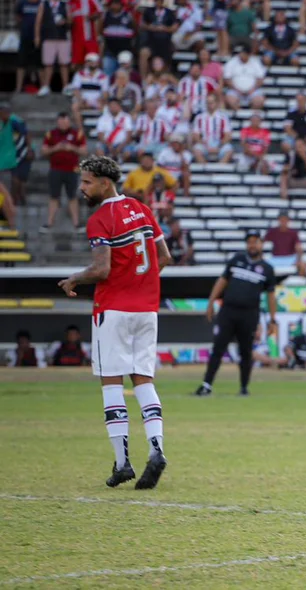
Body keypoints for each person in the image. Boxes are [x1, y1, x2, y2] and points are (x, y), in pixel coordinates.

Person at [57, 155, 174, 490]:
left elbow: (102, 269)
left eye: (86, 182)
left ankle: (122, 462)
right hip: (147, 309)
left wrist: (74, 280)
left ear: (104, 182)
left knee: (111, 383)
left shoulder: (100, 219)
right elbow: (163, 257)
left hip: (114, 310)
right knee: (144, 381)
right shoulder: (143, 209)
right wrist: (141, 285)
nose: (82, 188)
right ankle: (157, 450)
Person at [195, 231, 277, 397]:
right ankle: (206, 384)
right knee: (218, 347)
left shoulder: (267, 269)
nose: (252, 245)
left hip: (249, 314)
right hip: (228, 311)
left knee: (246, 352)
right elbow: (222, 281)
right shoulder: (237, 260)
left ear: (261, 244)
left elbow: (270, 296)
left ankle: (244, 387)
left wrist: (272, 319)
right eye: (249, 242)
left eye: (255, 242)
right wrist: (211, 302)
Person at [43, 112, 87, 233]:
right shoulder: (51, 134)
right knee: (53, 196)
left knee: (72, 196)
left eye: (65, 121)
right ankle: (49, 222)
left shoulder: (77, 134)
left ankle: (76, 223)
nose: (63, 124)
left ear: (69, 122)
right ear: (57, 122)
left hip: (72, 170)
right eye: (60, 121)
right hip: (55, 169)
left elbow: (84, 151)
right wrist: (55, 148)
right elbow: (44, 151)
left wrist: (71, 148)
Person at [35, 0, 74, 97]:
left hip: (62, 38)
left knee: (64, 64)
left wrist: (65, 21)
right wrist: (37, 36)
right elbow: (38, 21)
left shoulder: (65, 5)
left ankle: (65, 87)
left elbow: (71, 20)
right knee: (48, 64)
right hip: (48, 37)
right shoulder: (44, 4)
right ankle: (46, 86)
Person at [191, 94, 235, 164]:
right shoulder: (199, 117)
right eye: (208, 102)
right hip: (204, 144)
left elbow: (228, 135)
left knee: (229, 150)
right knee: (196, 149)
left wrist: (219, 146)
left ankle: (220, 169)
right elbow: (196, 135)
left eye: (211, 102)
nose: (209, 105)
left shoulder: (223, 117)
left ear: (216, 103)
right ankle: (205, 170)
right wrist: (204, 145)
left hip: (219, 144)